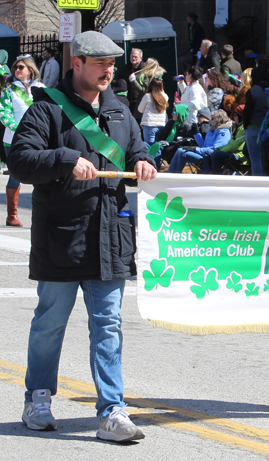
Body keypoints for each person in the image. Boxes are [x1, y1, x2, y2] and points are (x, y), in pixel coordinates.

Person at [7, 31, 156, 442]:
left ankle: (111, 410)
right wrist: (65, 159)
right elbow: (20, 161)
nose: (109, 70)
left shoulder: (121, 110)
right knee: (50, 323)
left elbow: (137, 152)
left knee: (108, 325)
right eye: (100, 63)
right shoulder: (47, 110)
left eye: (113, 63)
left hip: (110, 236)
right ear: (78, 64)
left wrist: (144, 163)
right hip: (63, 235)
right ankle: (38, 398)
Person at [0, 54, 45, 227]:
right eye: (15, 68)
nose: (17, 70)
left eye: (21, 67)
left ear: (30, 69)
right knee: (15, 176)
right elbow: (4, 114)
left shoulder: (41, 88)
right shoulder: (9, 89)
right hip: (13, 140)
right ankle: (12, 215)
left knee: (39, 174)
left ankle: (41, 212)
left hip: (37, 139)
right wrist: (19, 129)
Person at [167, 109, 231, 173]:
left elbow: (215, 149)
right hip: (203, 153)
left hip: (209, 158)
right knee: (180, 150)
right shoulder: (212, 130)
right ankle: (170, 173)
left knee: (182, 153)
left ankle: (175, 176)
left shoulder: (224, 132)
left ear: (218, 119)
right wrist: (196, 133)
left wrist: (195, 150)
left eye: (212, 118)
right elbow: (203, 145)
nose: (211, 120)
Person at [243, 66, 269, 176]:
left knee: (255, 158)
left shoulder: (253, 90)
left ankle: (258, 181)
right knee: (267, 158)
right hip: (268, 127)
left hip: (254, 127)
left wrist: (246, 126)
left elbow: (247, 111)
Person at [208, 105, 248, 174]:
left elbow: (235, 145)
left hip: (241, 156)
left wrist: (220, 150)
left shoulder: (243, 129)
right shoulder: (237, 128)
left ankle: (217, 177)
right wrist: (219, 148)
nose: (233, 117)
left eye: (235, 115)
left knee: (215, 154)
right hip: (234, 153)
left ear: (241, 117)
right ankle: (206, 173)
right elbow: (230, 143)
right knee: (210, 152)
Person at [138, 77, 169, 148]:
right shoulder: (165, 96)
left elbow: (140, 109)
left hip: (149, 125)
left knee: (149, 146)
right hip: (161, 125)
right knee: (159, 147)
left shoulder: (147, 96)